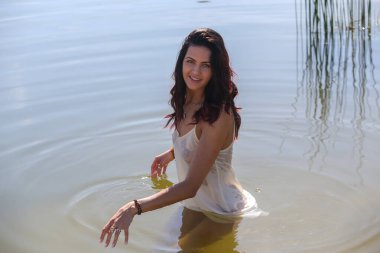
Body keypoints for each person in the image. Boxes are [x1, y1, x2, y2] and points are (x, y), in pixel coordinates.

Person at [100, 28, 263, 249]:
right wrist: (172, 153)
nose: (195, 71)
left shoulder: (218, 116)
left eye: (205, 65)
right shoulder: (186, 98)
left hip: (222, 210)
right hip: (194, 205)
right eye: (190, 61)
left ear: (216, 70)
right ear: (181, 63)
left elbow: (190, 186)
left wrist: (134, 207)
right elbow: (198, 144)